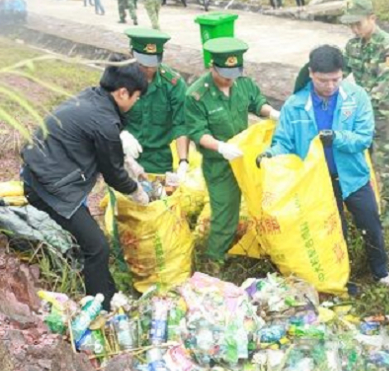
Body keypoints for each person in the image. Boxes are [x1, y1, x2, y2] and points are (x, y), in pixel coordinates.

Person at [258, 45, 389, 289]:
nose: (330, 86)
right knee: (331, 231)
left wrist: (336, 137)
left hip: (353, 177)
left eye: (336, 79)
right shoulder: (295, 105)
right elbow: (283, 142)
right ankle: (340, 279)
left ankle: (381, 273)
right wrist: (270, 154)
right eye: (323, 80)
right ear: (311, 74)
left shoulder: (357, 98)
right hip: (318, 182)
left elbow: (363, 137)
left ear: (342, 74)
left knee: (371, 224)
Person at [20, 61, 150, 311]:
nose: (136, 102)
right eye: (136, 97)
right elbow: (112, 175)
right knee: (97, 246)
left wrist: (126, 158)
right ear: (122, 93)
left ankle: (108, 292)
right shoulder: (104, 121)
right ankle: (99, 305)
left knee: (92, 240)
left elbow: (102, 143)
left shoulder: (93, 98)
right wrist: (136, 192)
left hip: (47, 172)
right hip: (49, 188)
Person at [185, 37, 280, 265]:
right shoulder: (197, 94)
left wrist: (274, 113)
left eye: (234, 74)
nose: (229, 80)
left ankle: (267, 250)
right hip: (220, 163)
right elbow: (197, 131)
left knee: (264, 204)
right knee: (225, 215)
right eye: (224, 75)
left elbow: (257, 102)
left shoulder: (242, 83)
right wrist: (220, 147)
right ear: (212, 67)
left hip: (245, 158)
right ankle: (214, 262)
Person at [341, 0, 389, 228]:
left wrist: (353, 109)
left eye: (358, 23)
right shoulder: (352, 46)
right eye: (350, 25)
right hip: (362, 112)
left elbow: (382, 87)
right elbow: (340, 72)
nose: (354, 29)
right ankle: (367, 201)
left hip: (386, 114)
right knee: (360, 158)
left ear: (372, 18)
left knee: (385, 161)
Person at [119, 28, 188, 177]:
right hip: (124, 156)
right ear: (132, 55)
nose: (147, 68)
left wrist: (183, 161)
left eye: (152, 63)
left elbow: (181, 124)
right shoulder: (119, 80)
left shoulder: (173, 84)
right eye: (142, 64)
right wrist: (121, 135)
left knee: (157, 197)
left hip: (159, 161)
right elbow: (105, 114)